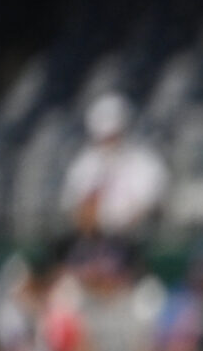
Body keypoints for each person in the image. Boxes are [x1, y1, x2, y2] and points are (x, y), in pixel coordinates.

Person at [58, 94, 168, 245]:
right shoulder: (85, 163)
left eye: (113, 135)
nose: (108, 141)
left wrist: (105, 219)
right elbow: (75, 209)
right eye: (104, 136)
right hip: (88, 242)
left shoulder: (147, 163)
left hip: (131, 244)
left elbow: (141, 213)